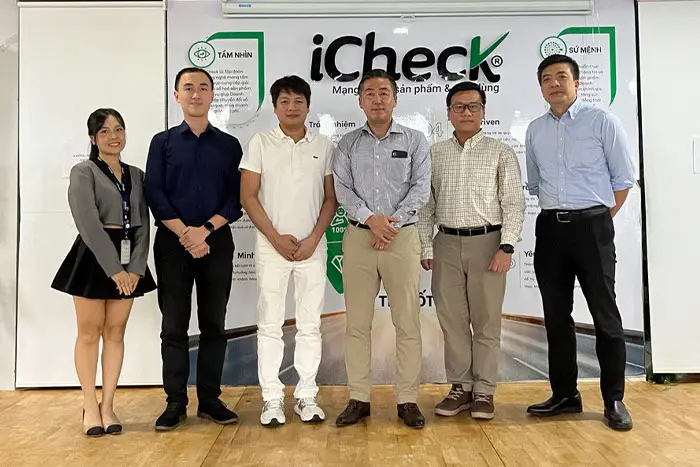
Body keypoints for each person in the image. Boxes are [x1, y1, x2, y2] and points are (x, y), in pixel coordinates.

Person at [525, 54, 636, 431]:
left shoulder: (602, 121)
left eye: (561, 77)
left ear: (576, 83)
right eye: (546, 79)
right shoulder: (535, 130)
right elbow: (535, 183)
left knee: (605, 316)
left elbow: (623, 181)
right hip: (550, 230)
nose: (554, 83)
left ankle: (614, 399)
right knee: (556, 318)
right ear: (541, 88)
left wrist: (598, 220)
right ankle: (565, 395)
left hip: (593, 228)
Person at [418, 81, 525, 420]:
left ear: (483, 111)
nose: (466, 112)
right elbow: (426, 205)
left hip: (488, 244)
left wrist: (507, 246)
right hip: (446, 243)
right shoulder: (434, 153)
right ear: (449, 113)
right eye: (459, 107)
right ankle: (460, 387)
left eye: (473, 106)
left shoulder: (500, 152)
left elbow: (514, 203)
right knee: (452, 321)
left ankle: (484, 390)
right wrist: (425, 244)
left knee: (486, 321)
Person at [145, 67, 243, 431]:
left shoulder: (229, 145)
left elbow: (235, 199)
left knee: (214, 323)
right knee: (173, 324)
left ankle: (210, 400)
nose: (196, 94)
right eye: (188, 88)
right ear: (177, 96)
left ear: (213, 95)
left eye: (203, 88)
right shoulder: (163, 142)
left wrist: (204, 231)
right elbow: (154, 193)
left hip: (216, 241)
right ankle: (175, 402)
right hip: (173, 244)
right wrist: (186, 233)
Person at [333, 69, 431, 428]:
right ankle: (359, 398)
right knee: (357, 324)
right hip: (359, 238)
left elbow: (421, 188)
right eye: (370, 94)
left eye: (384, 93)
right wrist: (371, 220)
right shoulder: (347, 144)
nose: (377, 100)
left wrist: (390, 224)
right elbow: (342, 189)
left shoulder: (415, 140)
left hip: (401, 238)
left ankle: (407, 400)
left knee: (407, 322)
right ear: (360, 101)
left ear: (395, 99)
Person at [52, 108, 157, 436]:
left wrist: (135, 269)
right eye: (105, 131)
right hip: (93, 257)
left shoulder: (136, 174)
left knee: (115, 332)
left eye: (119, 129)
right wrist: (114, 270)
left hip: (129, 257)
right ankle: (89, 405)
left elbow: (143, 224)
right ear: (93, 138)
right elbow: (88, 224)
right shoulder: (83, 172)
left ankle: (108, 405)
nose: (114, 136)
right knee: (89, 332)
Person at [240, 75, 337, 427]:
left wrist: (313, 238)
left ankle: (307, 396)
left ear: (308, 106)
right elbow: (247, 195)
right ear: (275, 106)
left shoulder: (324, 145)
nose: (292, 107)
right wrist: (275, 237)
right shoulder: (260, 142)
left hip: (313, 246)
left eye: (298, 101)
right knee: (270, 325)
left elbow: (331, 198)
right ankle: (271, 399)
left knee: (310, 324)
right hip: (272, 248)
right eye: (285, 101)